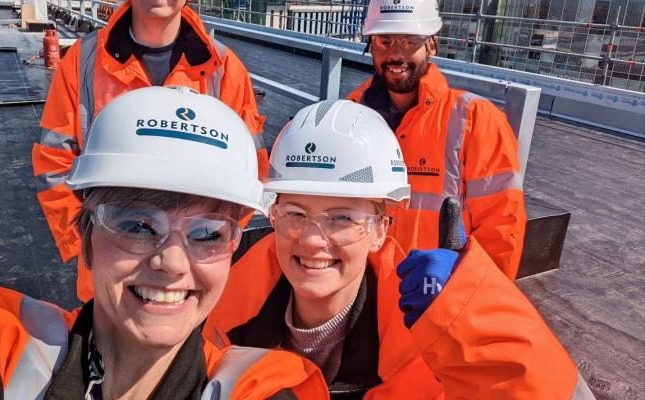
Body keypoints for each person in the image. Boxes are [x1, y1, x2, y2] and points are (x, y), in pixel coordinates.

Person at [0, 87, 327, 399]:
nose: (171, 262)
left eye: (207, 233)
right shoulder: (3, 362)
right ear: (86, 239)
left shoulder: (252, 387)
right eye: (136, 225)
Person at [204, 99, 594, 399]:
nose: (310, 239)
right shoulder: (217, 318)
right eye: (294, 213)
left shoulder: (428, 351)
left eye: (341, 218)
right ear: (271, 214)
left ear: (381, 230)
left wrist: (474, 322)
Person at [33, 0, 268, 302]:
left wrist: (213, 248)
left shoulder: (224, 71)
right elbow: (53, 163)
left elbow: (252, 173)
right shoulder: (83, 63)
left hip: (188, 273)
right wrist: (87, 247)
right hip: (113, 269)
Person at [346, 0, 526, 279]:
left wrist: (470, 300)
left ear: (432, 43)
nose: (396, 54)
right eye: (385, 41)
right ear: (370, 45)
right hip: (364, 290)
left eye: (409, 40)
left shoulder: (476, 120)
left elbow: (501, 228)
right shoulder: (349, 115)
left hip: (435, 294)